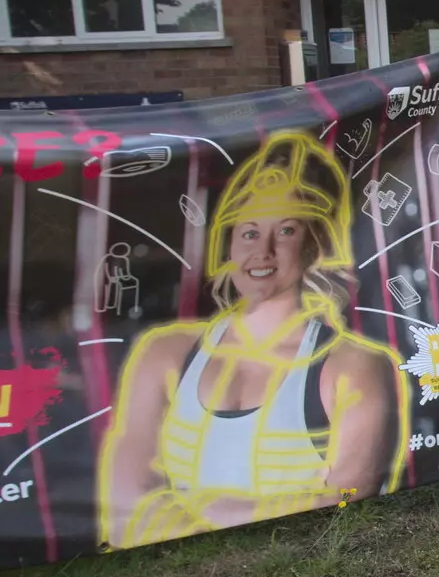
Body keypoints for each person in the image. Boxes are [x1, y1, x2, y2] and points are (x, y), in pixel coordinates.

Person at [99, 132, 408, 549]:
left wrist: (194, 509)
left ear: (315, 243)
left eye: (285, 230)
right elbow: (123, 511)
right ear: (228, 243)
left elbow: (349, 493)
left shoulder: (353, 365)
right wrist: (281, 504)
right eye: (248, 232)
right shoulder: (164, 353)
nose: (262, 250)